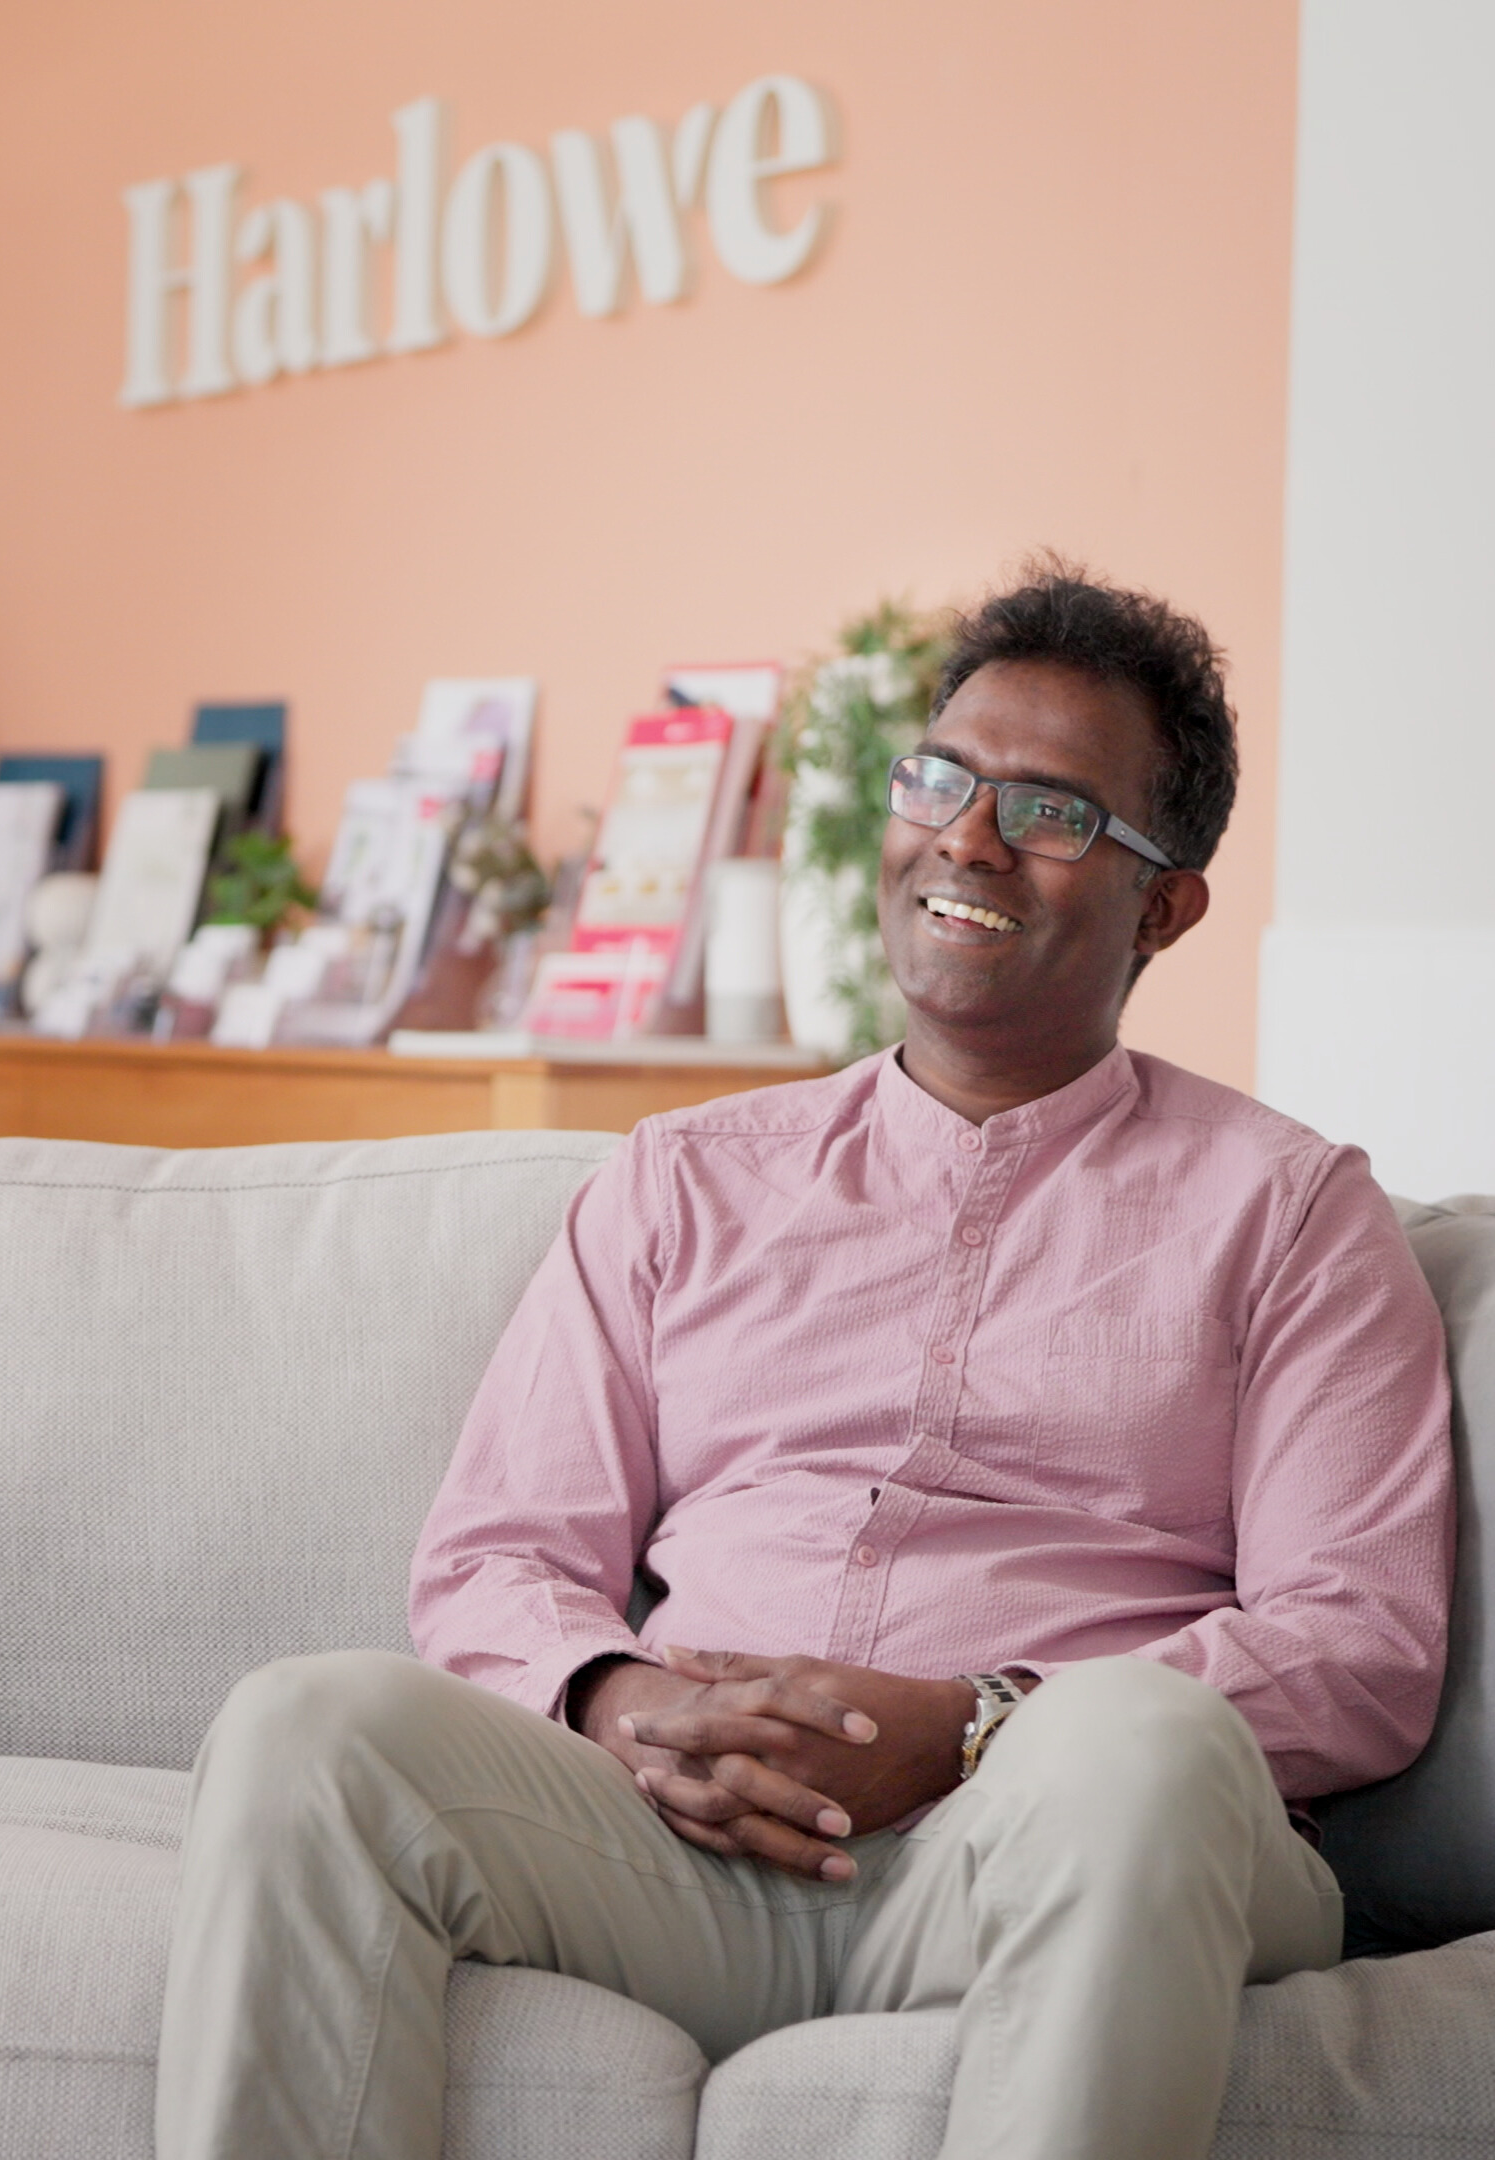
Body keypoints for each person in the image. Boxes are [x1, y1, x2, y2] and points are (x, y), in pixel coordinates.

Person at [154, 567, 1455, 2160]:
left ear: (1165, 904)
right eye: (943, 780)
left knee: (1139, 1740)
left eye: (1053, 812)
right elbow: (500, 1557)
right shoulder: (681, 1179)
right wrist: (622, 1703)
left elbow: (1359, 1645)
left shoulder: (1295, 1212)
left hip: (1053, 1844)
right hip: (677, 1851)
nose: (967, 841)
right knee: (307, 1728)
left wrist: (981, 1723)